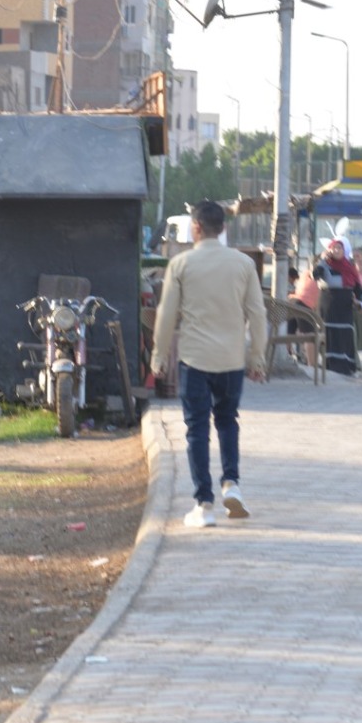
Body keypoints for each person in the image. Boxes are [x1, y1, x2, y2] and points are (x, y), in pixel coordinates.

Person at [150, 200, 268, 529]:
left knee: (197, 430)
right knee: (228, 421)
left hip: (195, 360)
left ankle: (204, 504)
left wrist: (158, 356)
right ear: (224, 228)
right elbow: (258, 314)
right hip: (231, 360)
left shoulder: (181, 264)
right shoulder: (244, 264)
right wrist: (257, 357)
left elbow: (166, 314)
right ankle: (232, 483)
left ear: (196, 228)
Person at [314, 238, 362, 376]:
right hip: (328, 308)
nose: (336, 250)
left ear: (344, 251)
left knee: (345, 335)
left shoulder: (349, 268)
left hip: (345, 309)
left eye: (339, 248)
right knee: (330, 336)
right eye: (334, 248)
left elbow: (358, 288)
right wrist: (323, 260)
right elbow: (315, 275)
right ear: (329, 250)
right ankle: (330, 367)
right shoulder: (325, 265)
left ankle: (346, 367)